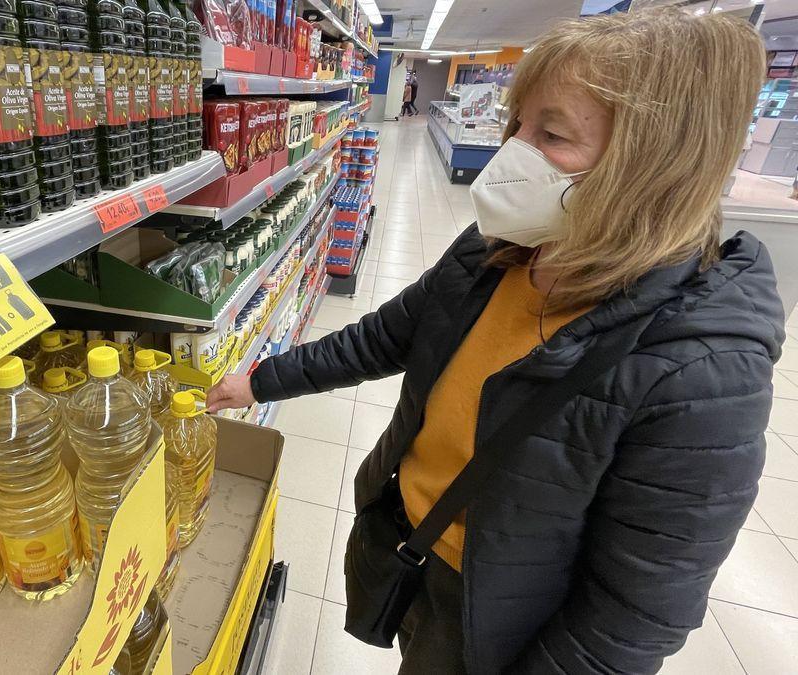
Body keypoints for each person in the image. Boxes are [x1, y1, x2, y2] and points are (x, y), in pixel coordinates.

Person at [208, 8, 782, 674]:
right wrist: (260, 379)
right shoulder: (498, 252)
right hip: (415, 551)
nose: (514, 151)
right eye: (517, 124)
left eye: (552, 134)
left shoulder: (700, 371)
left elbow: (631, 616)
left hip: (505, 627)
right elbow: (383, 336)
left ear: (651, 167)